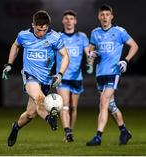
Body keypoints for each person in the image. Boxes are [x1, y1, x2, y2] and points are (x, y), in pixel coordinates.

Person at [2, 10, 69, 147]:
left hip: (46, 80)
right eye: (39, 30)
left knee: (31, 114)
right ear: (33, 25)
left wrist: (60, 74)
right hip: (30, 76)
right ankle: (50, 118)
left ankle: (15, 127)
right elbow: (15, 46)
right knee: (39, 98)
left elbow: (66, 56)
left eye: (45, 30)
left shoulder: (54, 37)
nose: (42, 33)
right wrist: (9, 64)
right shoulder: (24, 35)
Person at [86, 4, 138, 146]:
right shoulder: (95, 33)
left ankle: (98, 137)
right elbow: (90, 55)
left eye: (107, 15)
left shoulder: (119, 31)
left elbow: (134, 46)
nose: (104, 17)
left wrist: (125, 60)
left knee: (103, 102)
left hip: (113, 72)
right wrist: (91, 55)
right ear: (99, 17)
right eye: (102, 15)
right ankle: (124, 131)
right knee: (111, 105)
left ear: (111, 16)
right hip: (100, 73)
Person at [56, 10, 93, 142]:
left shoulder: (81, 37)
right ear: (63, 21)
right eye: (66, 18)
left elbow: (89, 52)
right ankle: (67, 132)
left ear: (75, 21)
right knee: (65, 105)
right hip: (62, 76)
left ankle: (70, 131)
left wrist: (90, 63)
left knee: (73, 107)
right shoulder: (58, 37)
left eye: (71, 18)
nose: (69, 20)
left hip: (77, 77)